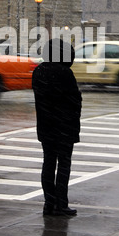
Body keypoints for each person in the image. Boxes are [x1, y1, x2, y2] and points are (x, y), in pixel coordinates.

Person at [32, 38, 82, 216]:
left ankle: (49, 203)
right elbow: (74, 101)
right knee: (64, 165)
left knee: (48, 163)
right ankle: (61, 203)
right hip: (64, 127)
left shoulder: (39, 71)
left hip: (46, 126)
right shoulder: (64, 73)